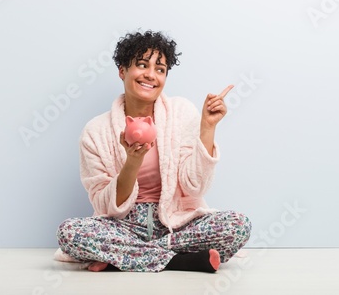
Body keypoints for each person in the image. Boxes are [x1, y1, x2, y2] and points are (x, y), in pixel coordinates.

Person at [55, 30, 251, 273]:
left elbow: (195, 187)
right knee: (70, 233)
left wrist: (207, 128)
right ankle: (181, 261)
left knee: (237, 225)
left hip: (176, 223)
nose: (151, 75)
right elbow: (104, 206)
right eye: (141, 65)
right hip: (123, 227)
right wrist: (132, 162)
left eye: (160, 69)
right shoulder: (95, 131)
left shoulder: (182, 113)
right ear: (122, 71)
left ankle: (124, 257)